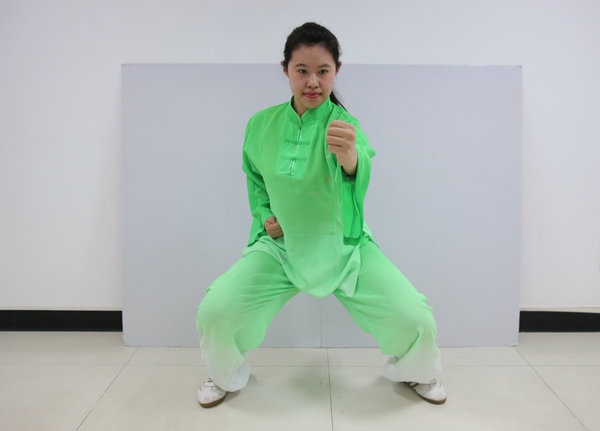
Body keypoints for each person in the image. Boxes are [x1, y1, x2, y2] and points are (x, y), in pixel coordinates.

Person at [196, 22, 446, 408]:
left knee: (416, 318)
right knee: (215, 310)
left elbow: (359, 170)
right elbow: (256, 179)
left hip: (344, 247)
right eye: (302, 70)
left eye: (323, 71)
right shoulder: (260, 125)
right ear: (285, 70)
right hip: (283, 247)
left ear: (336, 71)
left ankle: (419, 371)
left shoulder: (345, 126)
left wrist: (350, 159)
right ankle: (222, 374)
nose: (313, 82)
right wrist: (265, 215)